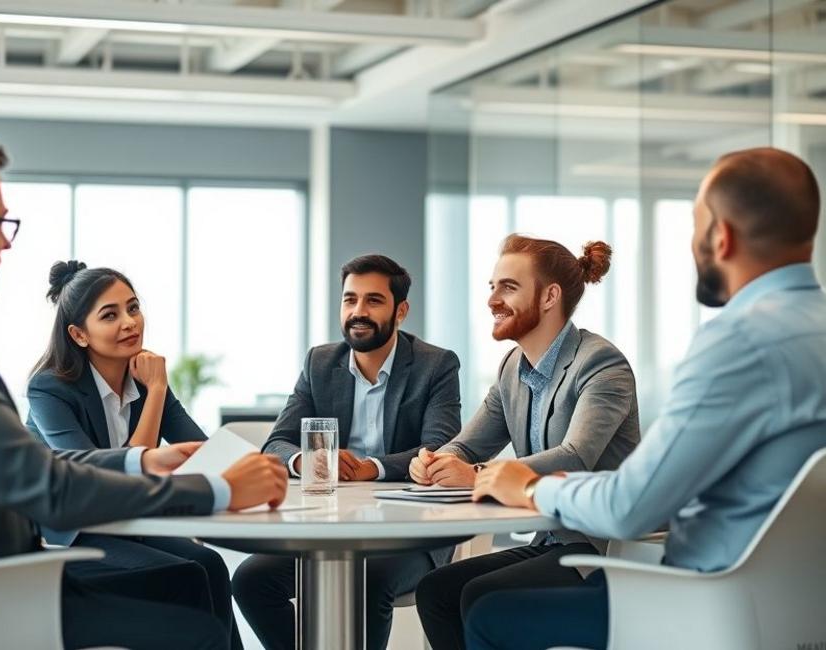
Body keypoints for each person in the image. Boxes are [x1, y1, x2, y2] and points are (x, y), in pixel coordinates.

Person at [0, 128, 287, 650]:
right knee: (196, 631)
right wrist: (221, 490)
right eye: (1, 224)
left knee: (194, 576)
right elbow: (46, 490)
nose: (6, 246)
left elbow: (23, 467)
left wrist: (137, 462)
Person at [464, 147, 826, 650]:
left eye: (696, 226)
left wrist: (530, 488)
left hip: (707, 605)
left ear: (721, 237)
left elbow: (630, 506)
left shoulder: (738, 342)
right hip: (803, 607)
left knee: (488, 615)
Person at [411, 234, 640, 650]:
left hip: (596, 548)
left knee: (480, 597)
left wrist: (478, 475)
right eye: (492, 287)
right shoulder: (513, 367)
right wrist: (435, 461)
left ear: (550, 296)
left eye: (508, 287)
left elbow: (576, 457)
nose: (492, 299)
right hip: (546, 539)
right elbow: (467, 445)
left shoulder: (602, 364)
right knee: (436, 591)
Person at [233, 254, 462, 650]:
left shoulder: (436, 365)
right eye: (349, 299)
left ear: (401, 310)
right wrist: (307, 460)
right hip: (329, 530)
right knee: (251, 580)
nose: (358, 311)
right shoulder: (320, 362)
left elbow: (439, 447)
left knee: (366, 579)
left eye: (373, 300)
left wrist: (370, 469)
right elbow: (277, 443)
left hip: (411, 534)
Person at [26, 260, 242, 649]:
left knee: (209, 564)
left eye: (133, 307)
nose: (129, 322)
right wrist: (156, 392)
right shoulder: (49, 390)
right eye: (110, 315)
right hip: (71, 531)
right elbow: (95, 477)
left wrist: (250, 465)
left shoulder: (142, 379)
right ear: (78, 334)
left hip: (129, 522)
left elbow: (202, 452)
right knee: (183, 574)